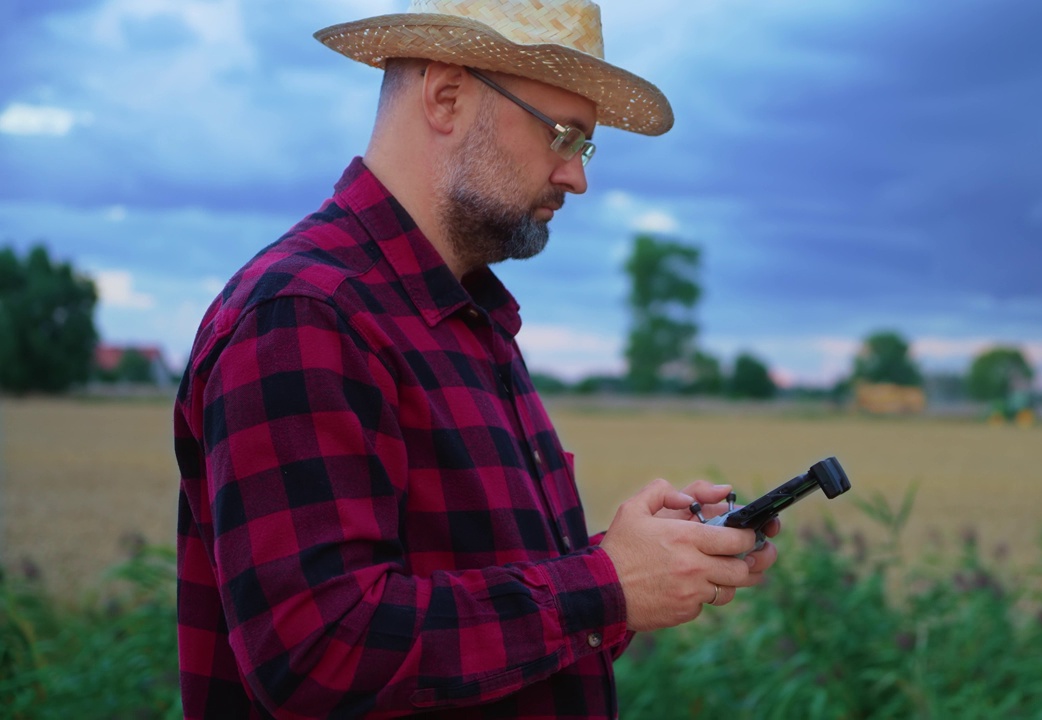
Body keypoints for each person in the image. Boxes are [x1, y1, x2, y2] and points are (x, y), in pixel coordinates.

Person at [173, 1, 780, 718]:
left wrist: (634, 565)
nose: (576, 177)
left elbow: (474, 608)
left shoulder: (464, 318)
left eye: (584, 148)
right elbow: (322, 654)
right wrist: (606, 584)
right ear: (447, 96)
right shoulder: (306, 313)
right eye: (563, 135)